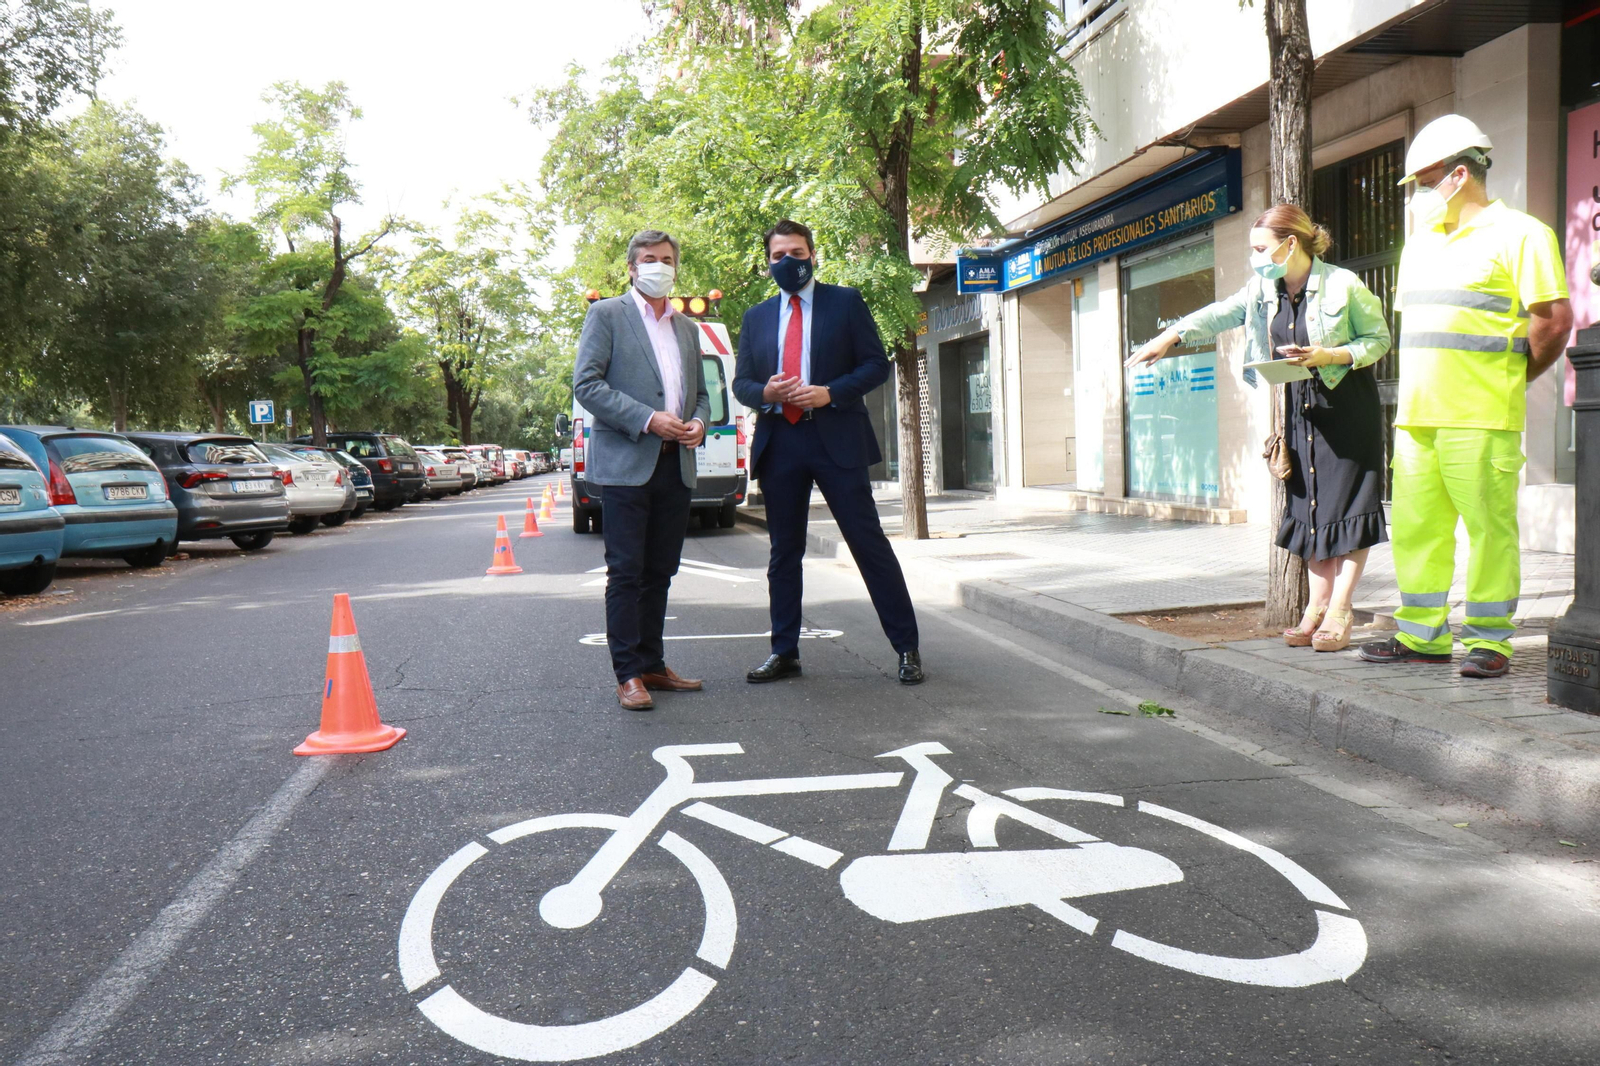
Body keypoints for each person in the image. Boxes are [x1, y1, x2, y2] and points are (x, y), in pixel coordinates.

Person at [1357, 115, 1572, 678]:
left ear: (1457, 175)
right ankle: (1422, 635)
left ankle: (1491, 641)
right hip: (1416, 419)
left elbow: (1551, 321)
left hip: (1480, 415)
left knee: (1488, 532)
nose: (1418, 197)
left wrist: (1513, 376)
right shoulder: (1422, 242)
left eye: (1424, 183)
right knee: (1416, 531)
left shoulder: (1523, 234)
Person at [1128, 204, 1392, 652]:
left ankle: (1341, 610)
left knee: (1349, 509)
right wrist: (1169, 337)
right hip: (1299, 409)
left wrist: (1328, 356)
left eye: (1260, 248)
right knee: (1309, 508)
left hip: (1346, 407)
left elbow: (1378, 339)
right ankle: (1315, 607)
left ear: (1292, 244)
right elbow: (1220, 313)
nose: (1255, 257)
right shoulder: (1262, 290)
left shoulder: (1343, 285)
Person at [731, 219, 924, 685]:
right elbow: (742, 384)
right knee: (784, 553)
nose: (788, 262)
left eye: (797, 253)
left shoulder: (846, 302)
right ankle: (784, 651)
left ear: (812, 256)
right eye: (779, 256)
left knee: (867, 543)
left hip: (836, 436)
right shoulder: (756, 317)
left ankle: (907, 648)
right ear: (768, 262)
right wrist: (768, 392)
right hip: (781, 443)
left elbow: (876, 364)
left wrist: (829, 393)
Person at [572, 229, 711, 710]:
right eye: (649, 259)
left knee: (661, 571)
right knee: (626, 572)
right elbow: (586, 386)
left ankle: (653, 664)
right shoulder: (607, 314)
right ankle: (628, 673)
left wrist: (697, 422)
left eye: (667, 258)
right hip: (628, 463)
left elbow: (701, 394)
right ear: (632, 267)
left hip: (677, 464)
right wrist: (648, 419)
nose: (659, 266)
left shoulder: (688, 329)